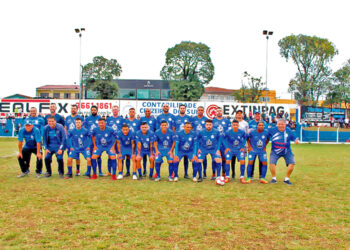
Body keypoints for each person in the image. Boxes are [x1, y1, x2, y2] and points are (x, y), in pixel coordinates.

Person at [268, 119, 299, 185]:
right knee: (272, 163)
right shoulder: (272, 130)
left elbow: (294, 137)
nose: (281, 125)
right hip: (275, 151)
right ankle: (274, 178)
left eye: (282, 124)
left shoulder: (289, 131)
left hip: (287, 151)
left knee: (292, 163)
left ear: (285, 125)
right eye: (279, 124)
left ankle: (287, 179)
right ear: (277, 124)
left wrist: (296, 140)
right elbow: (264, 132)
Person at [65, 104, 84, 176]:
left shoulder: (80, 118)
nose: (73, 110)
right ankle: (69, 170)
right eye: (72, 108)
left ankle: (77, 170)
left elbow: (83, 128)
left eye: (74, 108)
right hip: (69, 139)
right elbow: (66, 128)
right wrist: (66, 136)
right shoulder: (67, 118)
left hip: (77, 139)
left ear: (77, 109)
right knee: (69, 155)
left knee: (77, 155)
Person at [173, 104, 192, 179]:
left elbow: (190, 128)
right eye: (181, 108)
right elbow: (174, 128)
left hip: (186, 140)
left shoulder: (188, 118)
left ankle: (186, 173)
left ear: (185, 109)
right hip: (178, 140)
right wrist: (175, 136)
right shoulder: (176, 117)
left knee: (186, 158)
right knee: (177, 156)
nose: (182, 109)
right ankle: (175, 174)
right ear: (179, 109)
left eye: (183, 108)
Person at [83, 105, 102, 177]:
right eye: (92, 110)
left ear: (97, 110)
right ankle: (88, 171)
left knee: (98, 156)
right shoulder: (87, 119)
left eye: (95, 110)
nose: (93, 111)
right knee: (90, 155)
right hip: (89, 140)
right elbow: (84, 128)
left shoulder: (100, 118)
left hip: (98, 139)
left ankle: (100, 171)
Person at [106, 105, 125, 175]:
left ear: (118, 110)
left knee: (120, 155)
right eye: (113, 109)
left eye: (116, 109)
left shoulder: (121, 119)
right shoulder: (108, 119)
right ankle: (109, 171)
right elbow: (106, 130)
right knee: (110, 155)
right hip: (111, 141)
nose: (115, 111)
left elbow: (124, 129)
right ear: (112, 110)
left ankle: (121, 171)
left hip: (119, 140)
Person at [212, 107, 230, 180]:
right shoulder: (213, 121)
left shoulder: (226, 121)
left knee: (224, 158)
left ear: (222, 112)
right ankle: (214, 173)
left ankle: (224, 173)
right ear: (216, 112)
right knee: (215, 159)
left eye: (220, 111)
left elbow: (229, 132)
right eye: (218, 111)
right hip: (216, 143)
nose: (219, 112)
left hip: (224, 143)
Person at [248, 111, 267, 179]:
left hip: (261, 145)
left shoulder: (264, 123)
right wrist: (249, 146)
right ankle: (251, 175)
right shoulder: (250, 122)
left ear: (260, 115)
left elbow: (266, 135)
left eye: (258, 114)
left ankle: (261, 175)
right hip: (253, 145)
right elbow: (248, 134)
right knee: (252, 160)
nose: (257, 115)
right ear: (254, 115)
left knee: (261, 161)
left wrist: (265, 145)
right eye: (256, 114)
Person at [191, 106, 208, 178]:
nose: (200, 111)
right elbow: (191, 128)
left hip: (203, 140)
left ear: (203, 111)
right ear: (197, 111)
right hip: (195, 140)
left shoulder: (205, 119)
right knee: (194, 155)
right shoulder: (193, 119)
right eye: (199, 110)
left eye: (201, 110)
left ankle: (204, 172)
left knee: (204, 156)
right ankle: (194, 171)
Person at [140, 108, 157, 176]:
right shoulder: (141, 119)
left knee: (151, 157)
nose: (147, 112)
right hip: (143, 140)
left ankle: (151, 172)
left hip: (151, 140)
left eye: (148, 111)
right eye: (146, 111)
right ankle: (144, 170)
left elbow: (155, 129)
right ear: (144, 112)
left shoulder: (153, 119)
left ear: (150, 112)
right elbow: (140, 129)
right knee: (144, 157)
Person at [124, 108, 141, 177]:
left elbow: (140, 131)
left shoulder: (138, 121)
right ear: (128, 113)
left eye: (133, 112)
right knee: (127, 156)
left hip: (135, 141)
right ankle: (128, 171)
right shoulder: (126, 122)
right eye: (130, 112)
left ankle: (136, 172)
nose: (131, 113)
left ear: (135, 113)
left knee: (135, 156)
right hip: (128, 141)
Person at [233, 109, 249, 179]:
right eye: (238, 113)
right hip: (233, 145)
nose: (239, 114)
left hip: (242, 144)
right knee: (232, 159)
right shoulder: (232, 122)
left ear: (242, 115)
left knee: (242, 159)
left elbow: (246, 134)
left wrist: (247, 144)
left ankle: (241, 174)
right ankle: (233, 173)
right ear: (236, 115)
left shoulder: (245, 123)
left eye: (240, 113)